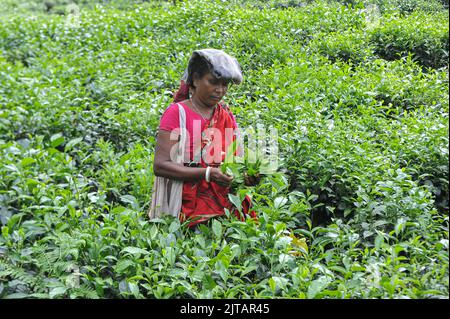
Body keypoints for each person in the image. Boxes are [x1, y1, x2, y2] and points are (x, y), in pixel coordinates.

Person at [149, 49, 255, 227]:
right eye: (213, 82)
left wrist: (247, 177)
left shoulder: (226, 115)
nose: (220, 90)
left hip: (224, 211)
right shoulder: (177, 113)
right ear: (196, 79)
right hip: (182, 210)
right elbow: (160, 166)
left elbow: (235, 162)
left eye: (225, 84)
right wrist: (207, 174)